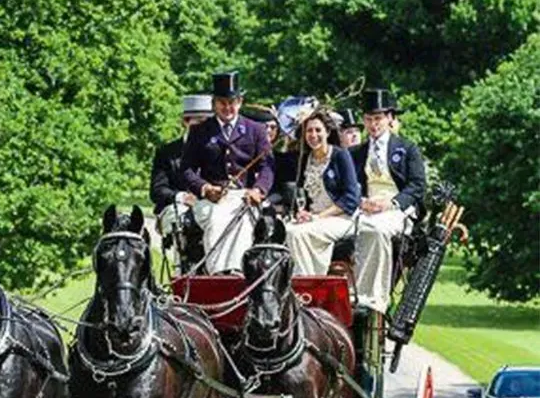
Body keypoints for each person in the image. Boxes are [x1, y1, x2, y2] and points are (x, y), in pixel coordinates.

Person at [181, 70, 274, 273]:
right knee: (216, 218)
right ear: (214, 103)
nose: (227, 107)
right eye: (222, 102)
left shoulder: (255, 130)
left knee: (241, 218)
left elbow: (267, 166)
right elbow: (186, 169)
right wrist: (205, 188)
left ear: (240, 102)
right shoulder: (200, 132)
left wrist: (258, 190)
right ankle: (218, 273)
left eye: (232, 102)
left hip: (245, 197)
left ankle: (238, 271)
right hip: (210, 199)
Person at [350, 88, 426, 313]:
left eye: (378, 119)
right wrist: (362, 202)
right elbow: (350, 186)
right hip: (365, 206)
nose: (373, 124)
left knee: (377, 229)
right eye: (369, 119)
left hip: (396, 209)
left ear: (390, 118)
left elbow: (417, 186)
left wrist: (390, 203)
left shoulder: (407, 149)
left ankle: (373, 296)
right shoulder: (357, 152)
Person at [284, 109, 360, 275]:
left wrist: (319, 217)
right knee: (288, 229)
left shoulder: (340, 156)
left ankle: (307, 282)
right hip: (313, 218)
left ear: (327, 132)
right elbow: (302, 195)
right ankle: (305, 281)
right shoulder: (305, 159)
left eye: (318, 130)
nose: (313, 135)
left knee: (297, 233)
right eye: (309, 131)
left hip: (341, 219)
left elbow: (351, 198)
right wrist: (303, 213)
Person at [150, 94, 213, 268]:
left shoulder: (218, 150)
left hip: (210, 205)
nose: (203, 127)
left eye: (208, 122)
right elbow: (157, 190)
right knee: (181, 221)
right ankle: (182, 271)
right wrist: (182, 197)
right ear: (185, 122)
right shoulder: (167, 152)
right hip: (177, 207)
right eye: (198, 122)